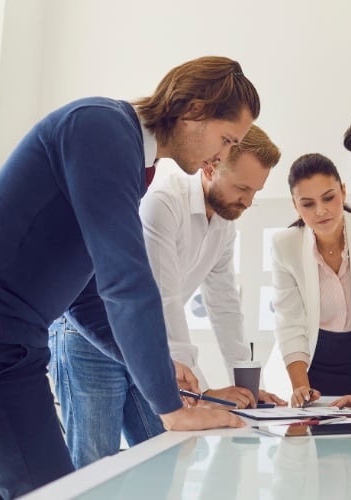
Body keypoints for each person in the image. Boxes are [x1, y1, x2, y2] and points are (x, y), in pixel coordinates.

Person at [0, 56, 256, 499]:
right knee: (58, 493)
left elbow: (87, 297)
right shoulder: (101, 129)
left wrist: (159, 370)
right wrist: (169, 408)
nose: (222, 156)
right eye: (227, 138)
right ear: (194, 109)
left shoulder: (124, 153)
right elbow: (127, 281)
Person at [49, 125, 286, 469]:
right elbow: (165, 299)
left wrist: (245, 389)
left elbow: (225, 306)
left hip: (144, 343)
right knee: (95, 464)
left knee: (166, 454)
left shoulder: (224, 224)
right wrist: (200, 394)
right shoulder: (163, 203)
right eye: (242, 188)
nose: (248, 201)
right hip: (91, 336)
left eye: (256, 191)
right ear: (210, 167)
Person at [272, 153, 351, 408]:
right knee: (310, 440)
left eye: (328, 198)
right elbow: (290, 323)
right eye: (308, 204)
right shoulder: (284, 246)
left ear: (343, 192)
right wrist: (300, 387)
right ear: (295, 205)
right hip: (310, 361)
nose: (321, 211)